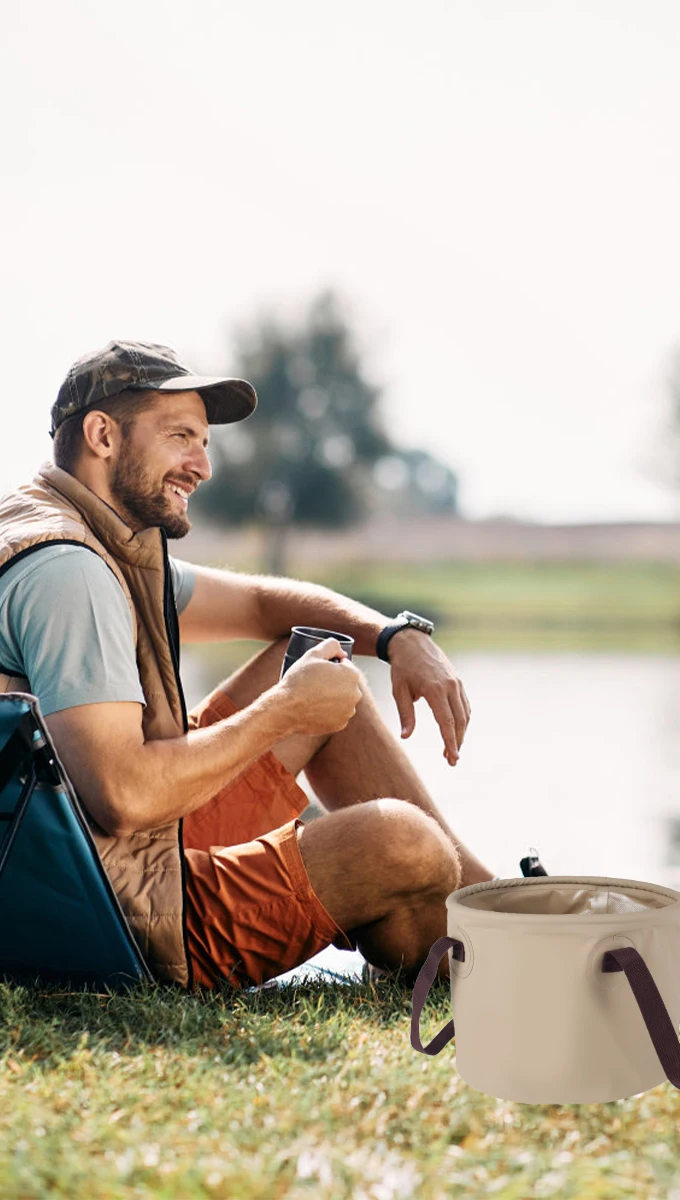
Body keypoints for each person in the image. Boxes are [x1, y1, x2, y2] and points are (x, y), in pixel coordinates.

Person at [0, 340, 493, 990]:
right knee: (405, 844)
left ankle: (493, 911)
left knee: (319, 659)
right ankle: (487, 937)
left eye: (204, 443)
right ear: (102, 436)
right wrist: (283, 712)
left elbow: (264, 605)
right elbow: (124, 798)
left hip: (99, 863)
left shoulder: (77, 533)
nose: (202, 465)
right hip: (126, 919)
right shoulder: (71, 571)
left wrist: (396, 635)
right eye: (181, 437)